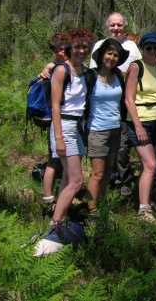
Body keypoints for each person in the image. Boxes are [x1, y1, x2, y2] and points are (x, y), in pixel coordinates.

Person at [47, 28, 96, 231]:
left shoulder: (85, 72)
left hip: (78, 127)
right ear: (70, 48)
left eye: (85, 47)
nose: (81, 51)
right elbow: (55, 105)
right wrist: (58, 138)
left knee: (68, 177)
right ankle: (55, 225)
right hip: (64, 126)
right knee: (76, 181)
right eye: (77, 47)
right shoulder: (61, 70)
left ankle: (62, 215)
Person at [90, 12, 142, 192]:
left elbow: (137, 71)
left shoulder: (132, 47)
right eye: (112, 25)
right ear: (108, 26)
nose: (116, 28)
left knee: (122, 147)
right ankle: (107, 182)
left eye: (119, 25)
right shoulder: (99, 45)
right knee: (103, 152)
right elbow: (91, 72)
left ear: (124, 26)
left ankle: (124, 181)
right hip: (101, 105)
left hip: (123, 100)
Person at [124, 32, 156, 222]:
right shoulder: (136, 67)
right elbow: (129, 99)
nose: (152, 51)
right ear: (142, 49)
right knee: (150, 164)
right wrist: (138, 126)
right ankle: (143, 210)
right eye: (148, 48)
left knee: (151, 165)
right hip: (140, 121)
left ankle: (149, 202)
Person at [85, 38, 129, 213]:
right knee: (97, 173)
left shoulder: (118, 76)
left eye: (116, 55)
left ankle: (101, 206)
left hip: (115, 129)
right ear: (102, 55)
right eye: (109, 53)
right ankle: (91, 209)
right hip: (96, 131)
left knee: (108, 172)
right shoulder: (91, 76)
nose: (112, 58)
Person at [40, 33, 70, 210]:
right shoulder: (52, 67)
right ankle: (48, 199)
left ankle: (62, 198)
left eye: (63, 48)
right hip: (56, 118)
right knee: (54, 160)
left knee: (65, 161)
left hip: (70, 119)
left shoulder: (69, 65)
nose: (61, 52)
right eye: (57, 49)